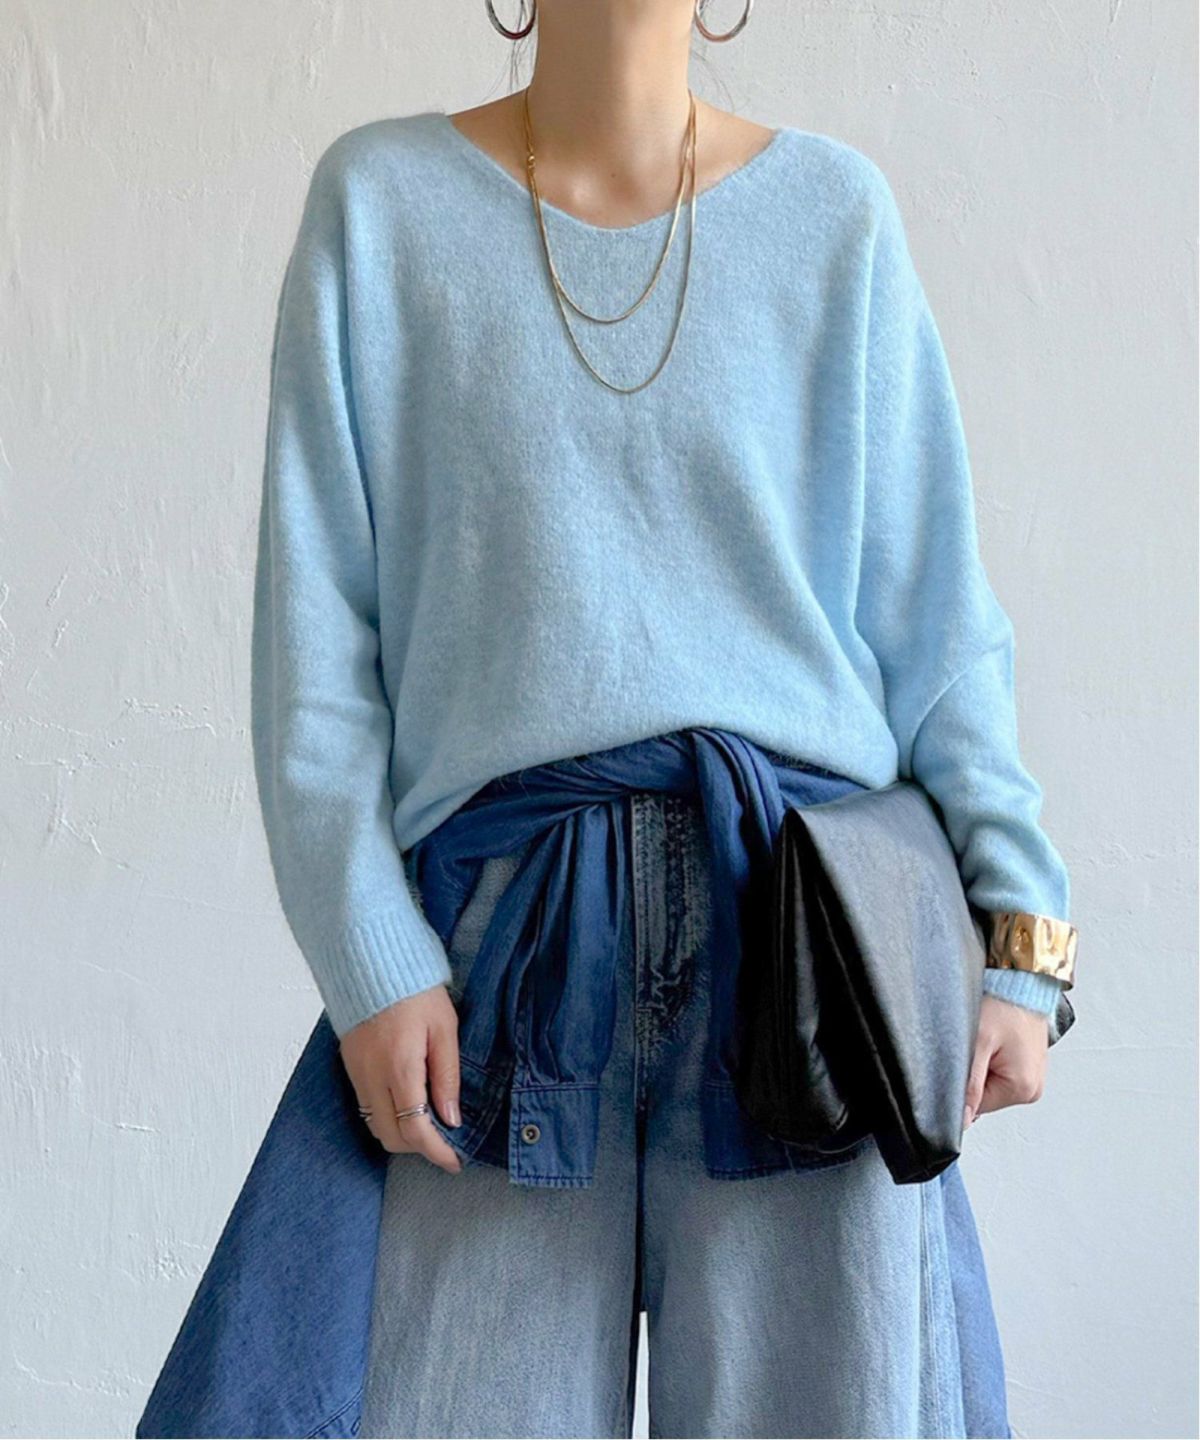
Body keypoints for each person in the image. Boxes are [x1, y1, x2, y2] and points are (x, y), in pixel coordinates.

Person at [182, 2, 1081, 1437]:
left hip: (809, 950)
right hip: (499, 950)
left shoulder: (835, 215)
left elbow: (939, 628)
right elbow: (317, 643)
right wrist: (369, 955)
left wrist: (1023, 936)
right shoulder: (381, 207)